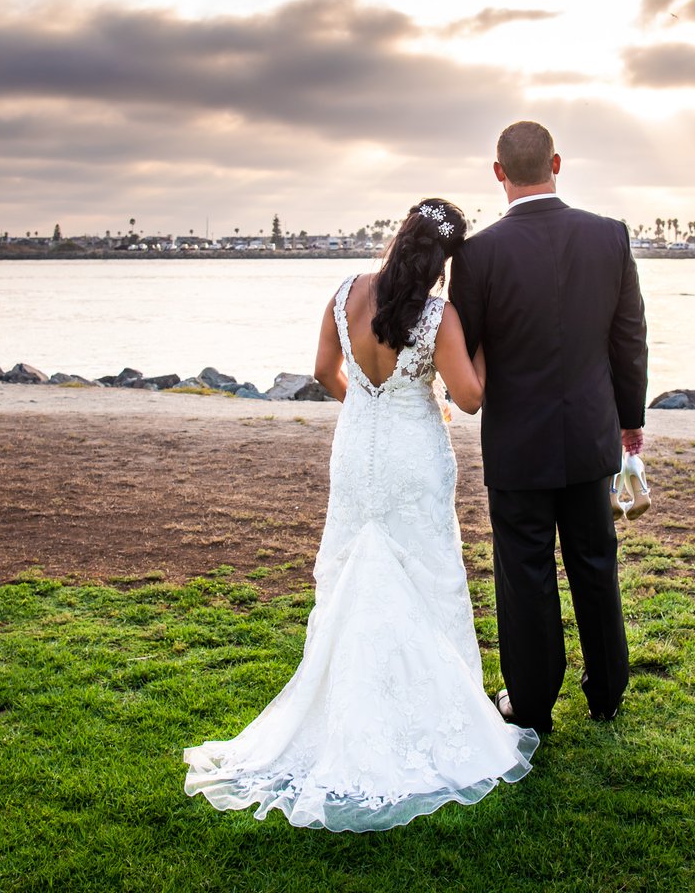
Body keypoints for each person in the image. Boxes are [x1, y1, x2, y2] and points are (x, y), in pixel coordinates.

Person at [183, 198, 537, 831]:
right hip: (413, 454)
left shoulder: (345, 291)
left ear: (401, 237)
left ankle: (345, 703)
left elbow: (325, 371)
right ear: (443, 260)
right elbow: (471, 398)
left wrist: (368, 402)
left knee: (353, 568)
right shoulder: (438, 314)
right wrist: (489, 349)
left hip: (358, 449)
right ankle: (427, 713)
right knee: (423, 569)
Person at [449, 120, 648, 733]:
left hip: (517, 442)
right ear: (557, 163)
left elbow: (467, 347)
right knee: (595, 562)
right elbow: (629, 337)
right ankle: (608, 692)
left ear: (498, 172)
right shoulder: (608, 236)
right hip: (590, 434)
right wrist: (629, 423)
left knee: (525, 573)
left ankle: (530, 705)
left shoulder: (477, 253)